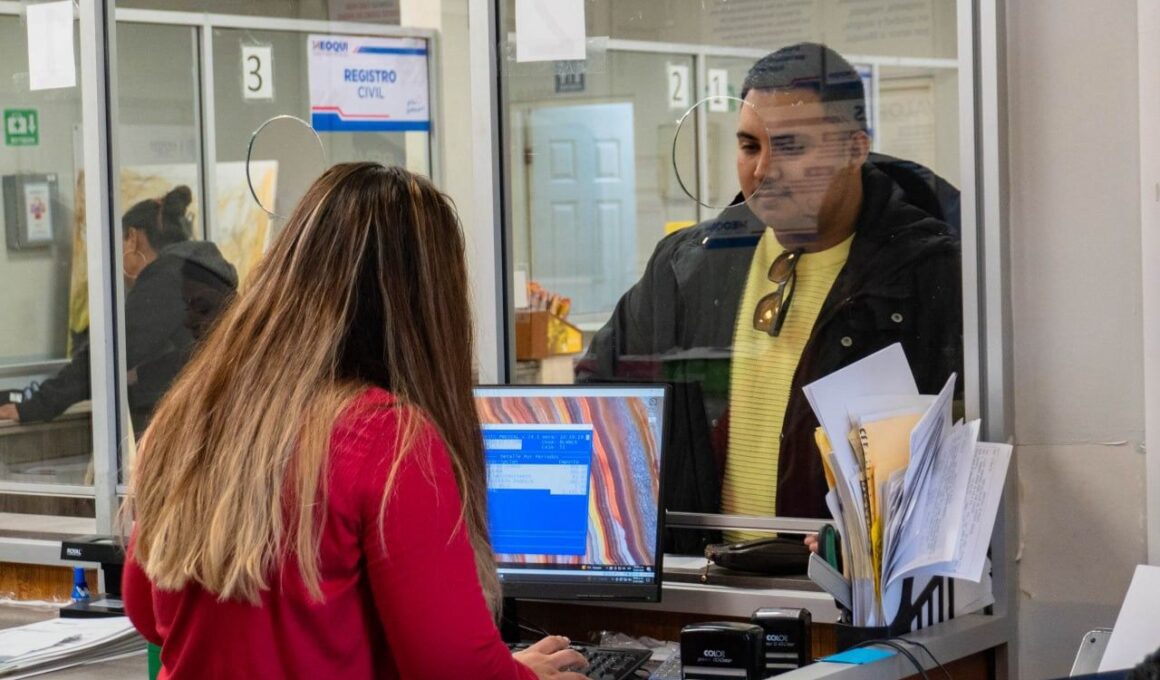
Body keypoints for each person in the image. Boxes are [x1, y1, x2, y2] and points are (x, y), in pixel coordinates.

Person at [122, 163, 588, 680]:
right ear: (427, 307)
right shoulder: (386, 438)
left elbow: (147, 612)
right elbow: (451, 670)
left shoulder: (188, 418)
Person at [578, 42, 962, 526]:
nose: (763, 171)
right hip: (702, 568)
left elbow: (966, 442)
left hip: (844, 572)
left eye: (790, 147)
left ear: (855, 149)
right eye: (750, 146)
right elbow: (599, 397)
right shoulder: (687, 267)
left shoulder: (932, 274)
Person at [0, 186, 236, 433]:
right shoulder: (202, 272)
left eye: (118, 247)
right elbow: (188, 356)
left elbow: (112, 351)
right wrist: (140, 375)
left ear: (132, 238)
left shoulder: (167, 276)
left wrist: (37, 405)